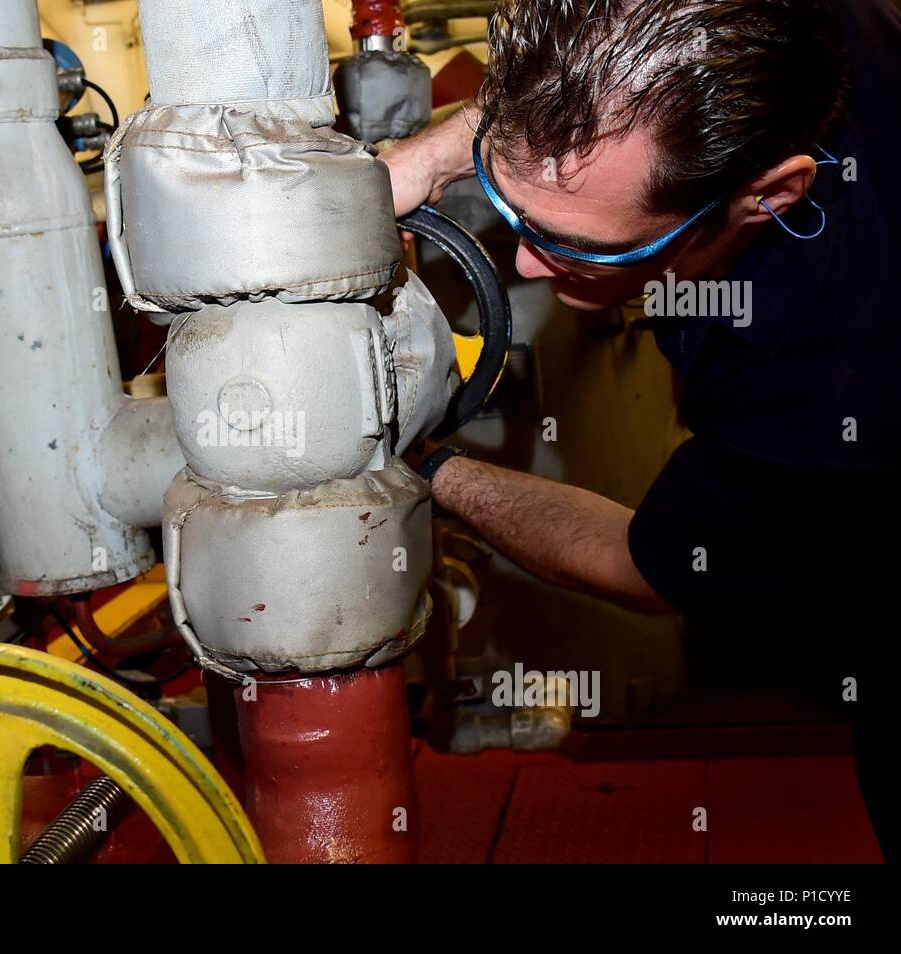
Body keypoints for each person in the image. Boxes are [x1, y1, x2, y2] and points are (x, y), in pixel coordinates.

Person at [381, 0, 900, 860]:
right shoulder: (766, 22)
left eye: (577, 245)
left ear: (766, 197)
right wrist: (429, 156)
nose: (521, 265)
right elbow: (605, 66)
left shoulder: (814, 380)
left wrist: (429, 469)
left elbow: (645, 561)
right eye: (514, 211)